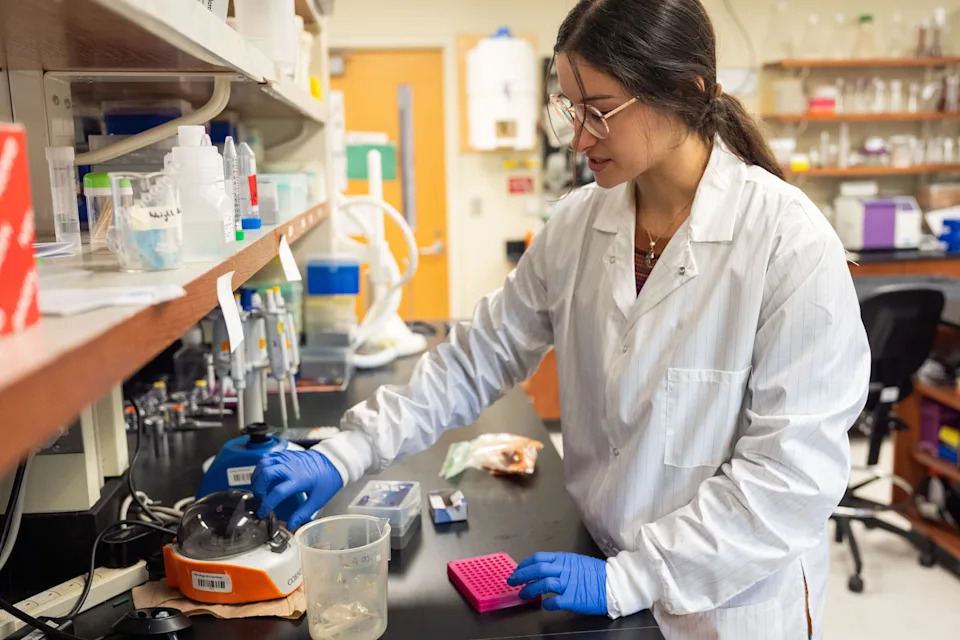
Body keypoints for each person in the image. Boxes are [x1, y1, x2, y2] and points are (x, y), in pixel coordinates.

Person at [251, 0, 870, 637]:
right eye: (572, 109)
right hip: (602, 560)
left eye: (601, 112)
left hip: (725, 602)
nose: (579, 138)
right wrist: (346, 452)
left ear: (687, 92)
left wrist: (632, 579)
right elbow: (477, 358)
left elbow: (789, 477)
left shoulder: (788, 243)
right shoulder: (578, 223)